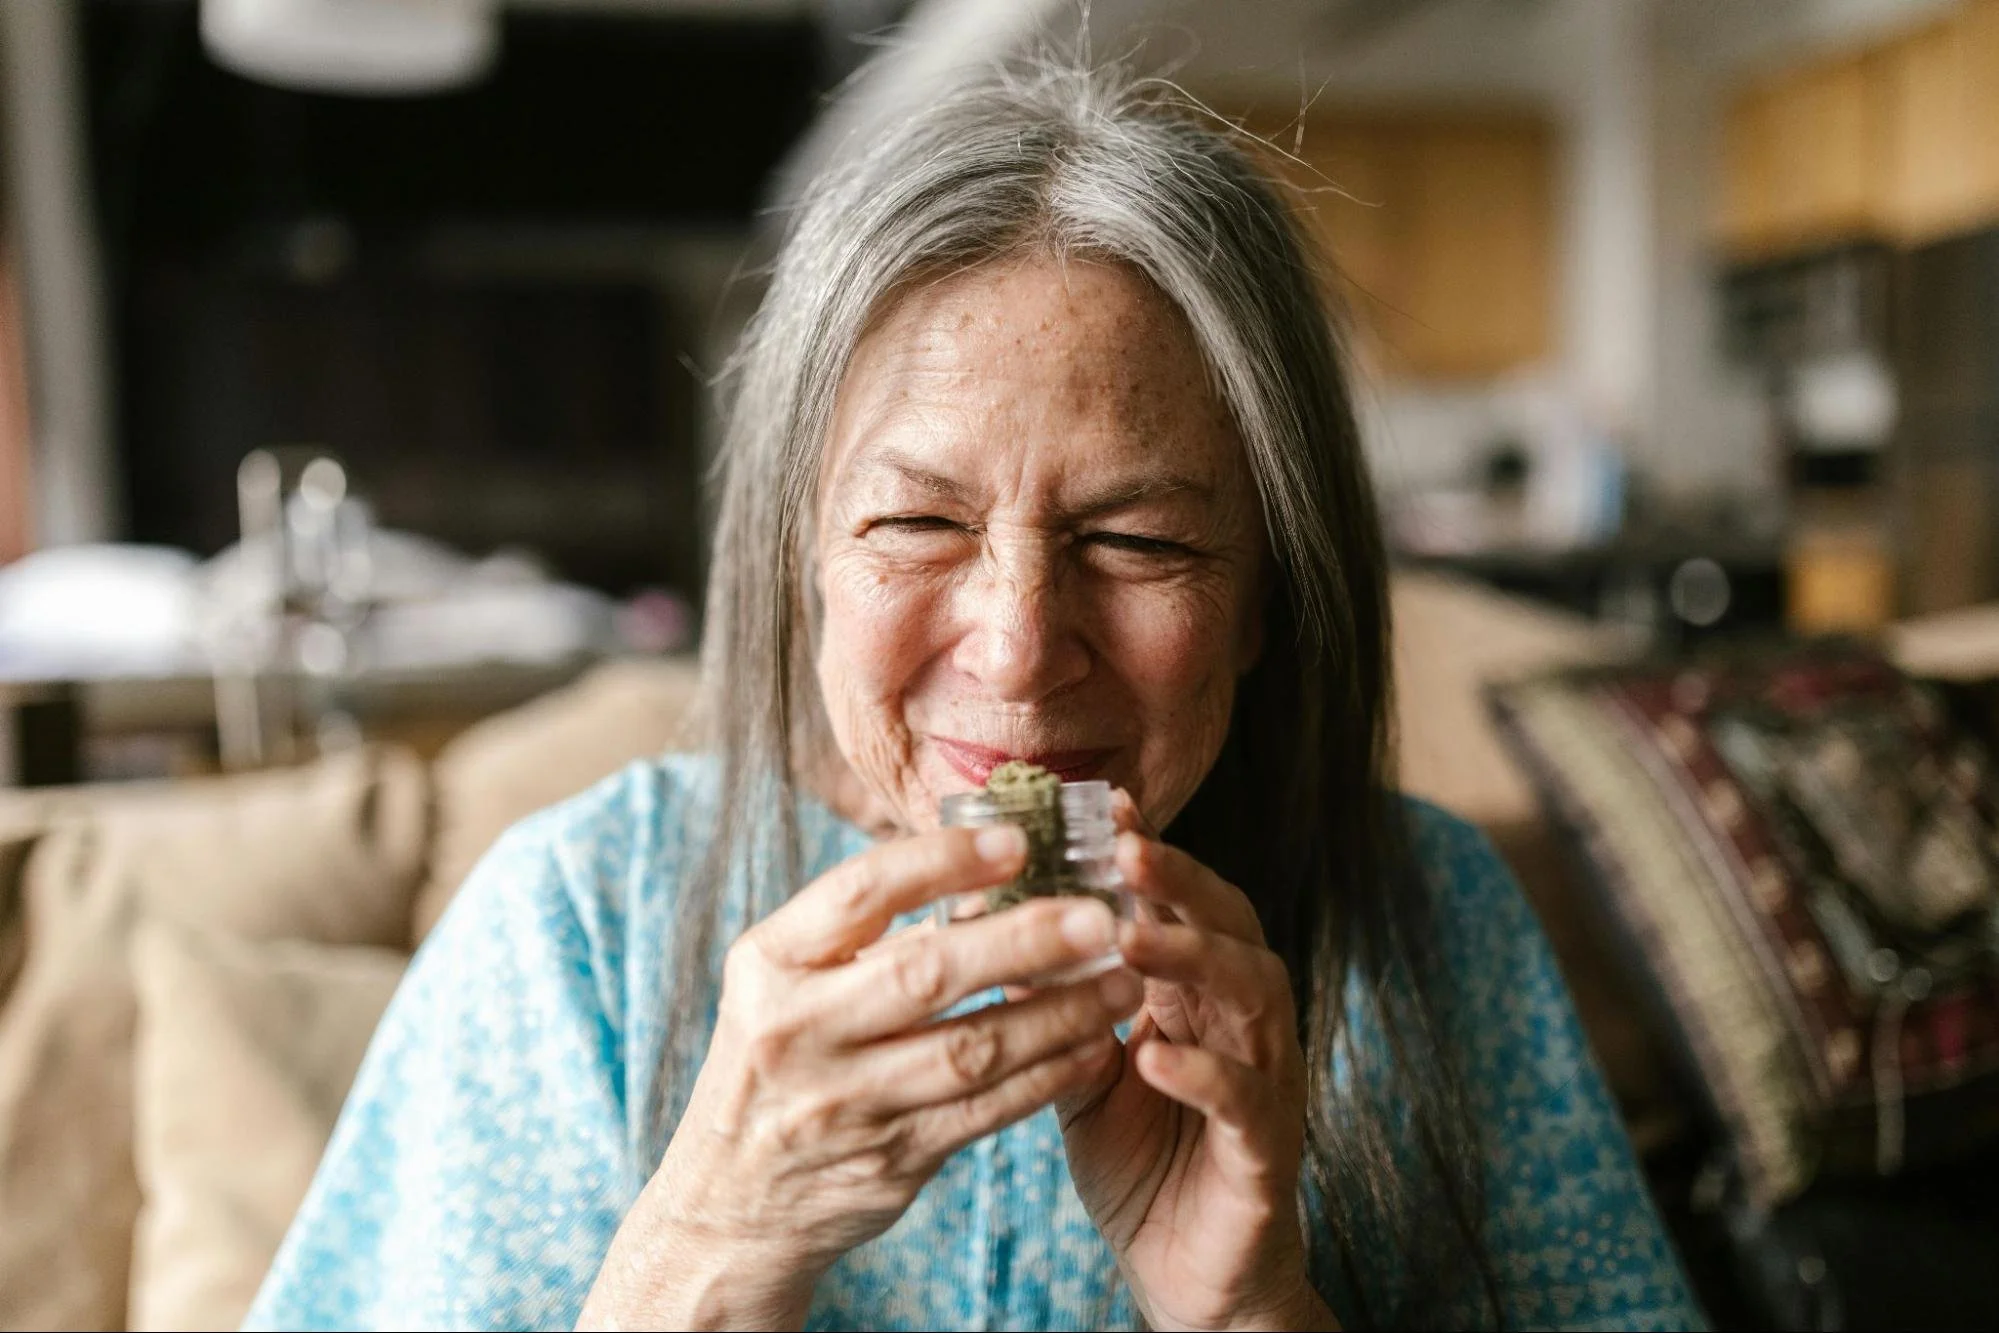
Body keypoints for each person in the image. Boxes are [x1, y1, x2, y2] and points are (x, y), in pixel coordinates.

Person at [246, 55, 1705, 1332]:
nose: (1015, 649)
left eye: (1137, 541)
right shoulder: (578, 925)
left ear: (1266, 595)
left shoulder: (1430, 924)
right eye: (915, 524)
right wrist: (708, 1245)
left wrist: (1251, 1308)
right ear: (799, 552)